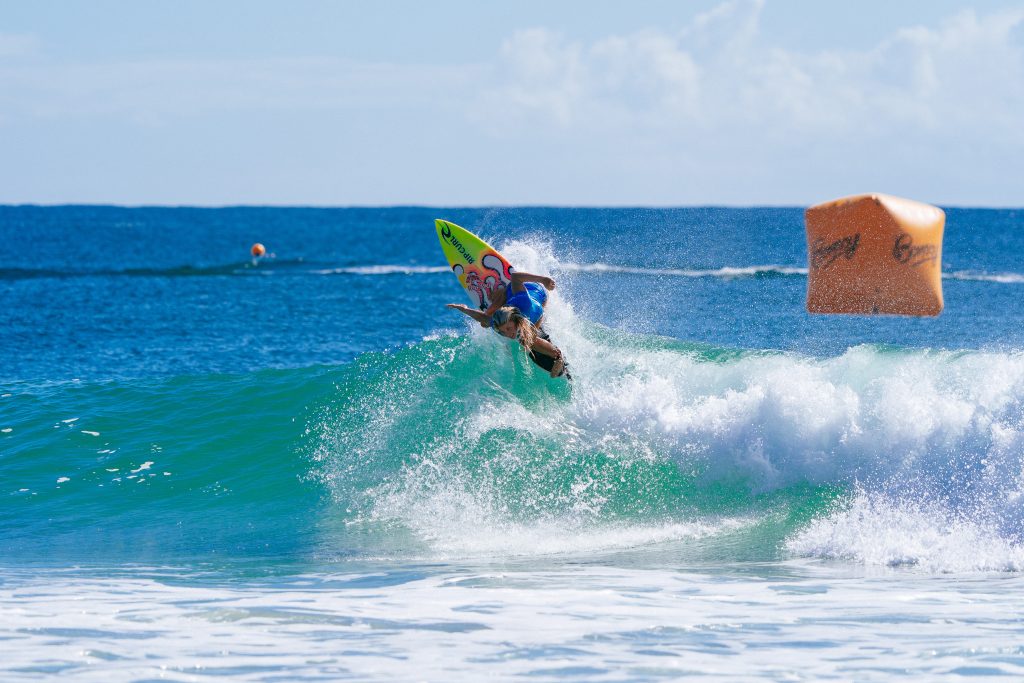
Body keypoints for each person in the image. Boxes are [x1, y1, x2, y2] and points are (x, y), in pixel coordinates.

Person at [446, 271, 569, 379]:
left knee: (527, 339)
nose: (508, 334)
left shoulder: (526, 304)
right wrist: (464, 309)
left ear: (515, 320)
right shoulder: (499, 325)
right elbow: (484, 319)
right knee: (486, 324)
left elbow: (515, 277)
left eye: (509, 329)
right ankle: (498, 297)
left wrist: (544, 280)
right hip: (513, 304)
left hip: (536, 291)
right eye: (504, 331)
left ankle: (558, 355)